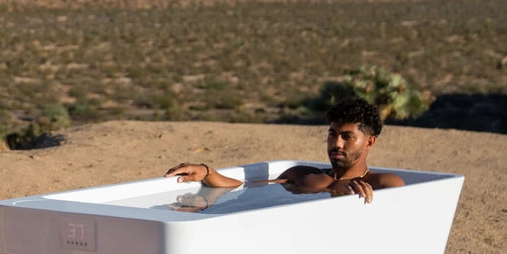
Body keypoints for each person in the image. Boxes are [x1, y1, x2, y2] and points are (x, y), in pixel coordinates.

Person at [163, 97, 405, 206]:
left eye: (347, 137)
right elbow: (249, 187)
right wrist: (206, 172)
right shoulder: (302, 174)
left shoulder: (383, 183)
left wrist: (363, 195)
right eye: (332, 134)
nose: (336, 144)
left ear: (369, 142)